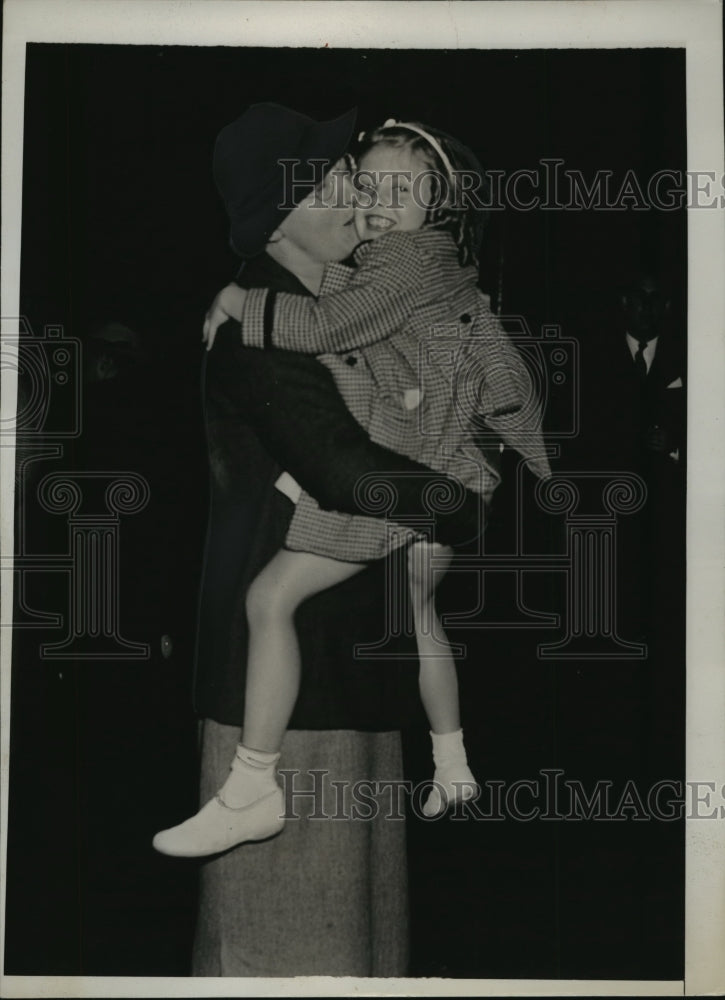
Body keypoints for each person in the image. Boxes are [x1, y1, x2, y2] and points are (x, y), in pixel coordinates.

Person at [167, 102, 513, 979]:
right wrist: (469, 506)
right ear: (279, 220)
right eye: (335, 186)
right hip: (282, 696)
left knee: (359, 944)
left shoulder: (349, 300)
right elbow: (350, 473)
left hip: (345, 671)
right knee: (280, 944)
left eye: (361, 182)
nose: (360, 201)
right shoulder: (265, 329)